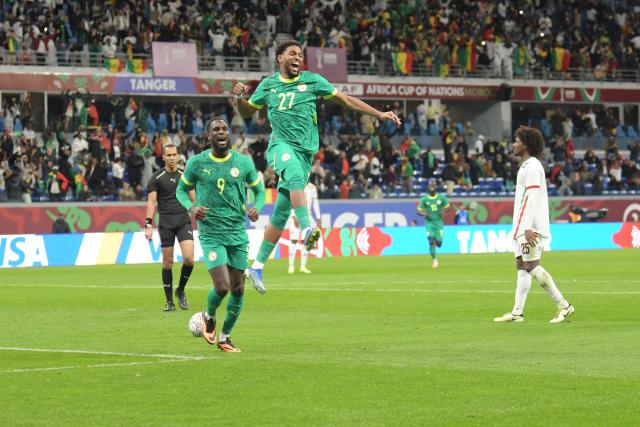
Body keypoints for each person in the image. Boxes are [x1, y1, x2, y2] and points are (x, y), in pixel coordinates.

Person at [233, 40, 401, 291]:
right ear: (279, 58)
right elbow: (246, 113)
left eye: (300, 54)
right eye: (292, 53)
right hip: (281, 147)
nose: (297, 57)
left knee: (280, 214)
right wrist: (240, 98)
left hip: (305, 153)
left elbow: (345, 100)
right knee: (292, 175)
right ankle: (309, 227)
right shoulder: (268, 86)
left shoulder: (312, 80)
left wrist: (379, 114)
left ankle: (256, 266)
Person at [176, 118, 265, 353]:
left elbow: (259, 190)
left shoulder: (243, 162)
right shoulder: (196, 163)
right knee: (223, 286)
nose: (221, 132)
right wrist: (191, 208)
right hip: (211, 232)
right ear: (208, 136)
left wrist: (257, 206)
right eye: (216, 129)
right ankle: (208, 315)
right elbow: (181, 190)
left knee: (238, 288)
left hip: (237, 231)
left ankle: (225, 337)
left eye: (225, 129)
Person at [494, 126, 574, 324]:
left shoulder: (532, 167)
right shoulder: (526, 166)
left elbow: (532, 197)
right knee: (522, 266)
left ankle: (564, 305)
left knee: (531, 266)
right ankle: (517, 313)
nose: (514, 144)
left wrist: (527, 227)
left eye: (517, 140)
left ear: (527, 144)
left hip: (529, 227)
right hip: (522, 226)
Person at [145, 144, 195, 312]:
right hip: (166, 223)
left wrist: (200, 212)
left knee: (189, 259)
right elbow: (152, 202)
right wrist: (148, 225)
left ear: (178, 156)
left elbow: (194, 200)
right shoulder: (156, 178)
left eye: (175, 155)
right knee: (168, 262)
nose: (173, 158)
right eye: (169, 155)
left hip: (183, 221)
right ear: (163, 157)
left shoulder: (185, 176)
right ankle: (169, 302)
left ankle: (180, 290)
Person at [287, 181, 321, 274]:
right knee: (293, 240)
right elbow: (291, 201)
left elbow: (315, 203)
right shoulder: (296, 183)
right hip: (297, 215)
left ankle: (303, 266)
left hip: (308, 217)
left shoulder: (312, 187)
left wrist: (318, 218)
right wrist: (293, 216)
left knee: (306, 241)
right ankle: (291, 266)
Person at [417, 179, 450, 268]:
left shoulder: (441, 197)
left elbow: (448, 207)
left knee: (439, 243)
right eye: (430, 186)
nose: (432, 187)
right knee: (431, 241)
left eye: (433, 186)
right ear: (428, 188)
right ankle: (434, 260)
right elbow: (418, 210)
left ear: (436, 187)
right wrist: (424, 213)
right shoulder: (425, 199)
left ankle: (437, 242)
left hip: (439, 223)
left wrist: (443, 212)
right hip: (429, 223)